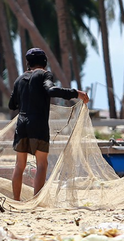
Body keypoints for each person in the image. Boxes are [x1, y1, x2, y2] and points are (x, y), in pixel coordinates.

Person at [8, 48, 89, 201]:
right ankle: (36, 201)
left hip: (21, 125)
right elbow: (51, 90)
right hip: (38, 124)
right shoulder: (45, 74)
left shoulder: (19, 79)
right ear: (44, 62)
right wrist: (76, 93)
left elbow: (12, 105)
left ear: (28, 63)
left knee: (19, 165)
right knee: (42, 164)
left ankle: (16, 200)